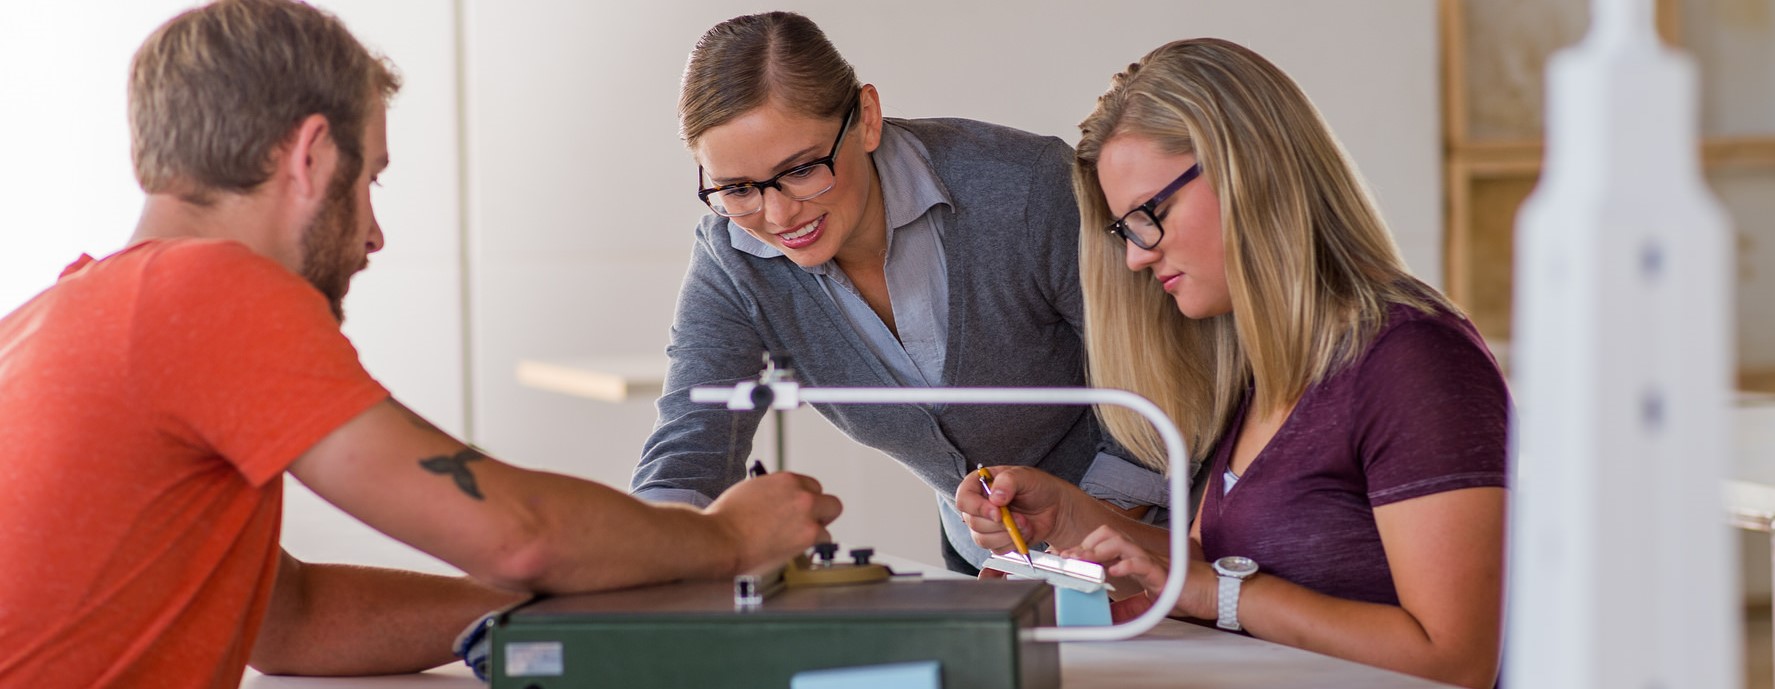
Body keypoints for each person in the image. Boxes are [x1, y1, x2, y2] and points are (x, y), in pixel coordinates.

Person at [0, 2, 840, 685]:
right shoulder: (209, 291)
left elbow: (286, 620)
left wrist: (545, 610)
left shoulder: (69, 311)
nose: (374, 234)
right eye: (370, 180)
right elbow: (520, 531)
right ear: (311, 156)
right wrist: (725, 540)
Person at [954, 38, 1510, 688]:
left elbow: (1456, 659)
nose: (1136, 257)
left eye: (1149, 215)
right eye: (1125, 230)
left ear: (1249, 169)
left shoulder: (1414, 359)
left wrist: (1221, 596)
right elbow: (1210, 568)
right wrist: (1075, 517)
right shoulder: (1261, 369)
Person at [634, 11, 1167, 574]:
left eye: (802, 169)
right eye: (737, 188)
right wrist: (649, 565)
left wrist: (1085, 535)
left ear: (866, 118)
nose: (777, 214)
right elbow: (689, 444)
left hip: (1156, 531)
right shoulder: (733, 258)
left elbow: (1161, 373)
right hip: (989, 558)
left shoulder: (1025, 187)